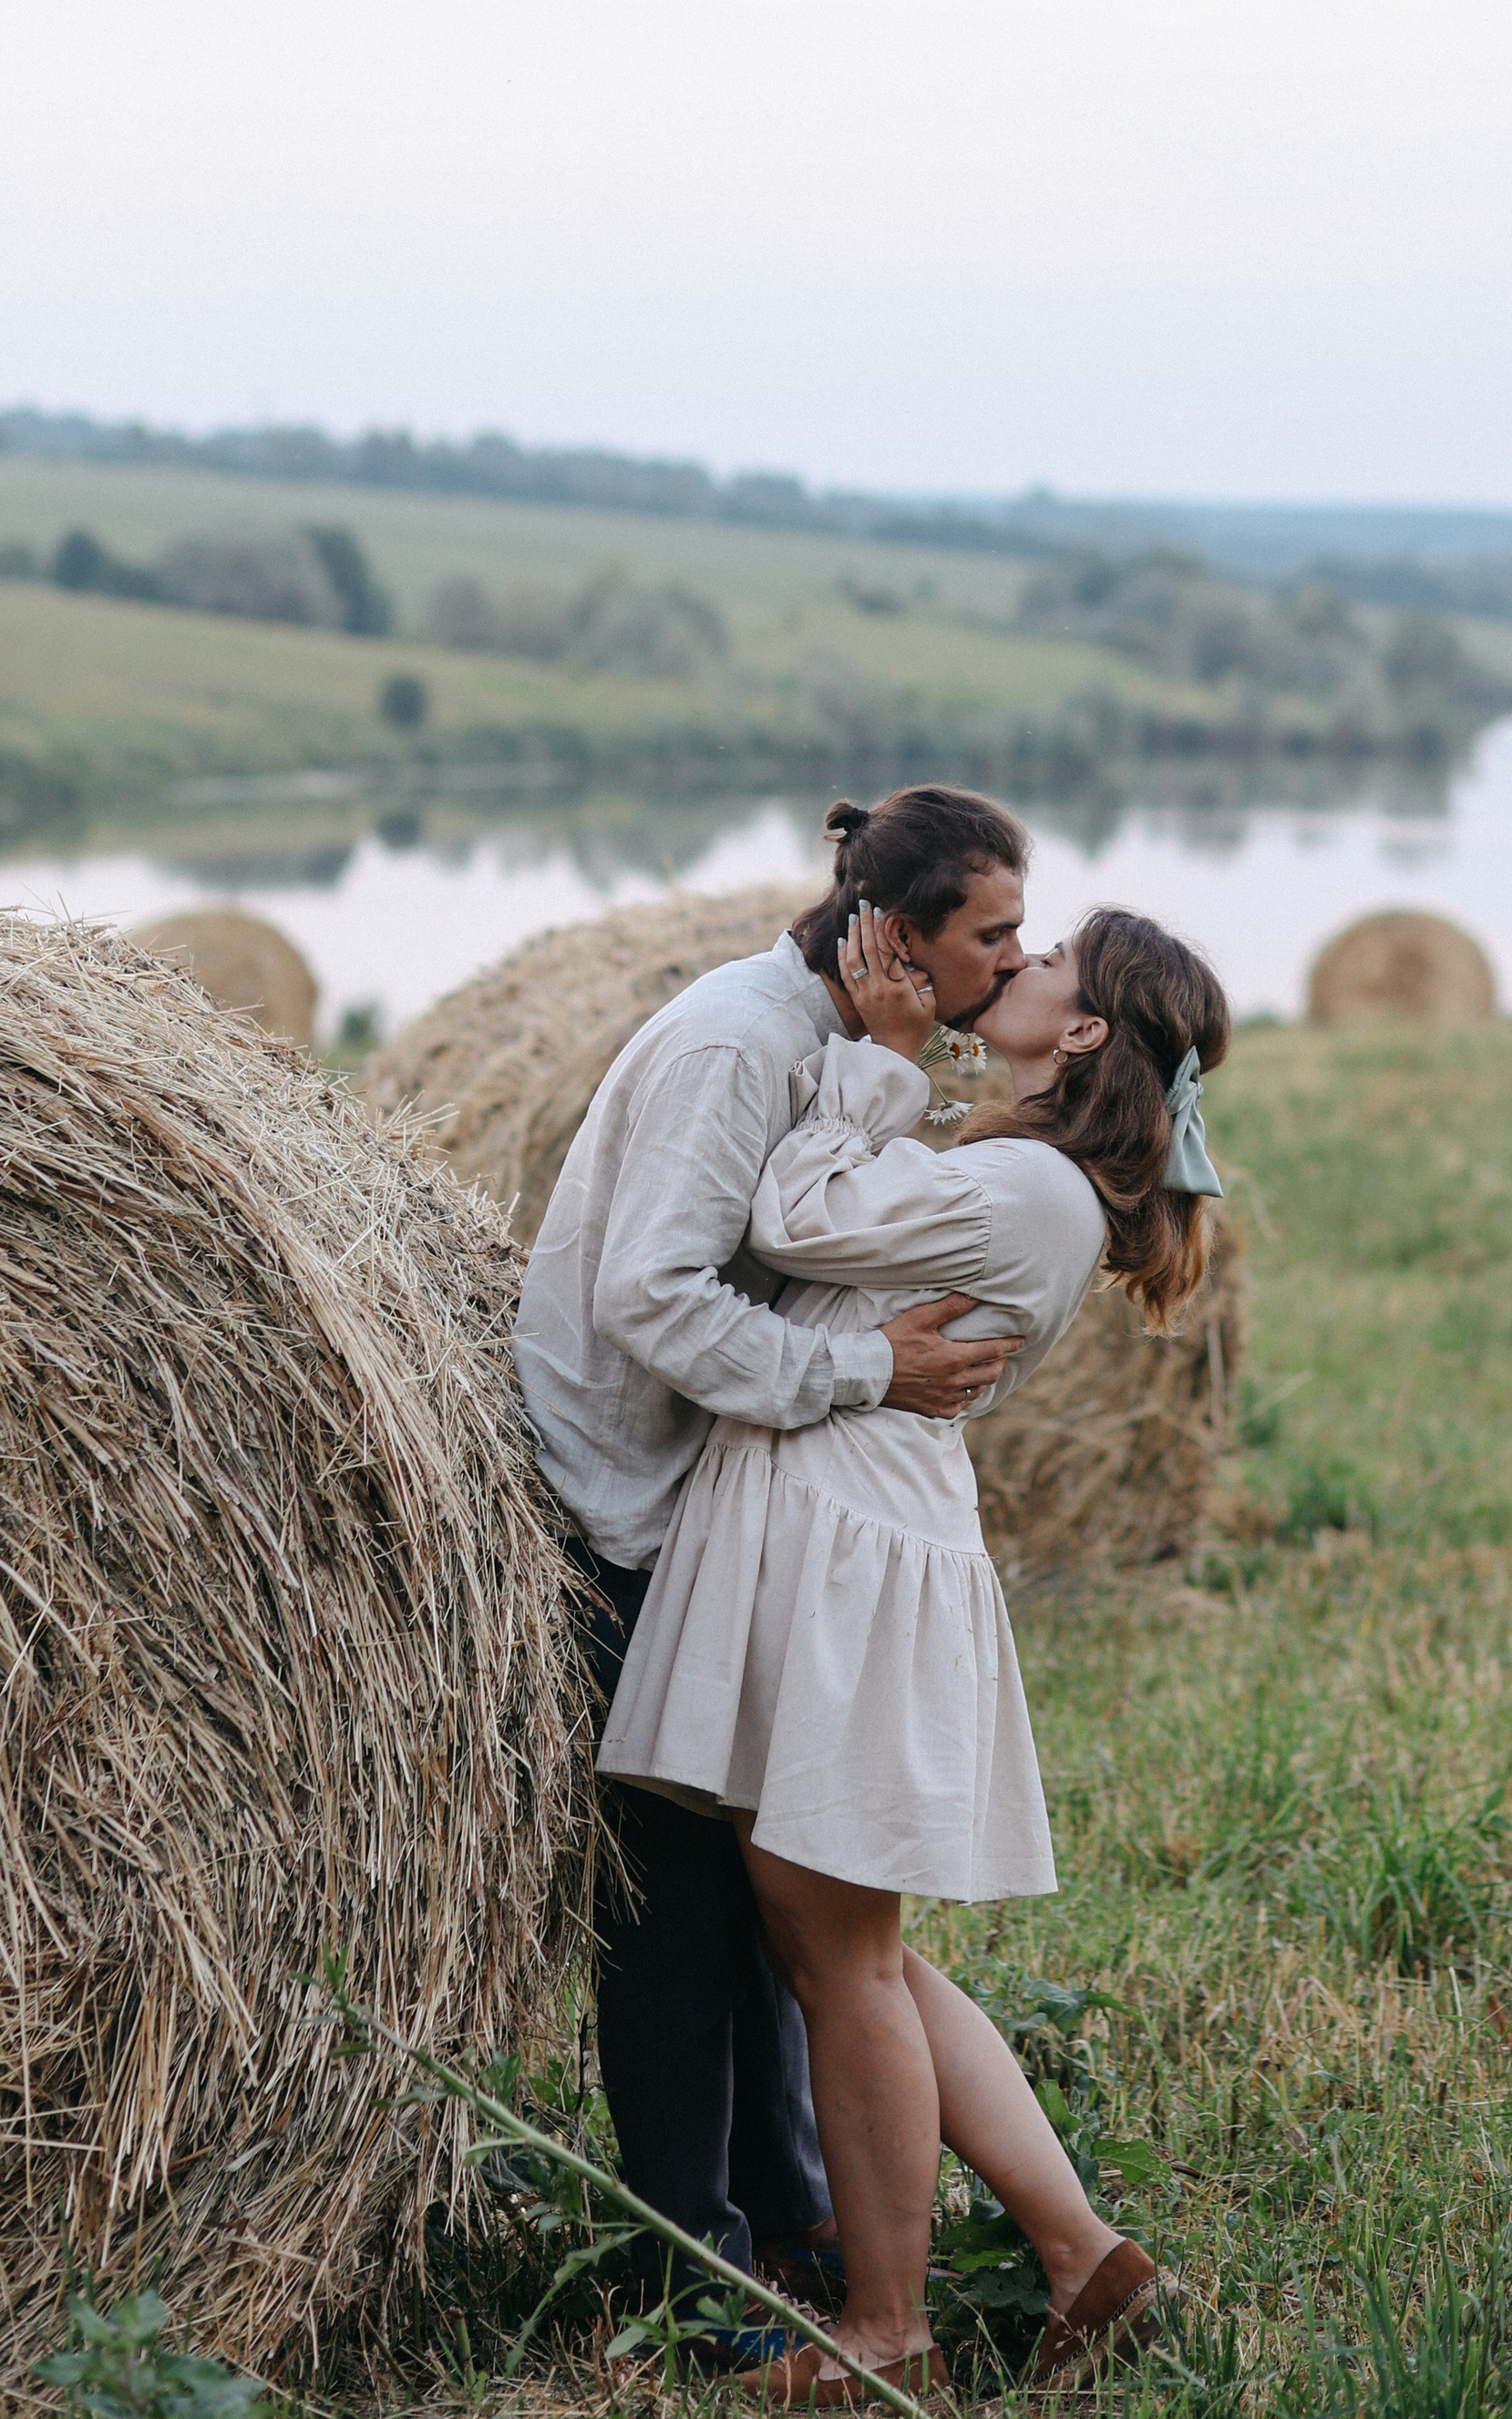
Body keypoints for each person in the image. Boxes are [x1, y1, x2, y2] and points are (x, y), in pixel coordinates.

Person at [601, 900, 1231, 2404]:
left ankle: (889, 2335)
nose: (1016, 964)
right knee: (853, 1947)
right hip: (836, 1534)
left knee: (842, 1962)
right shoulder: (1026, 1169)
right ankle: (1083, 2258)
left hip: (843, 1553)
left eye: (1053, 959)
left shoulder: (1022, 1185)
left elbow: (789, 1221)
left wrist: (881, 1056)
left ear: (1085, 1033)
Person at [511, 786, 1039, 2321]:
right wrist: (869, 1373)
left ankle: (800, 2217)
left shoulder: (838, 1044)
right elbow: (652, 1299)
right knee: (674, 1909)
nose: (1013, 964)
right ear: (894, 933)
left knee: (772, 1880)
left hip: (729, 1508)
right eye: (991, 935)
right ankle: (698, 2264)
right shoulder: (739, 1043)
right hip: (623, 1501)